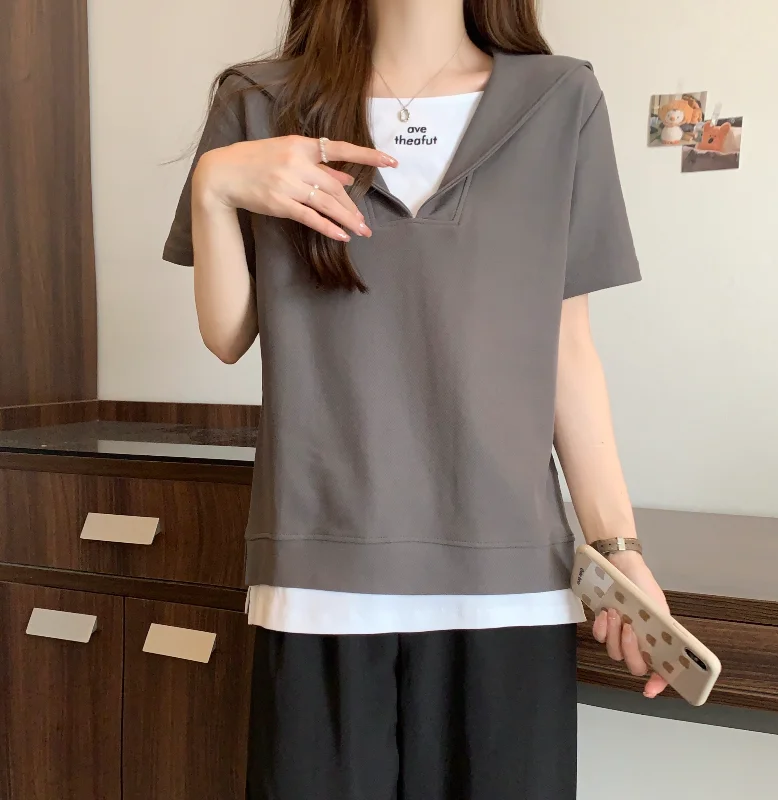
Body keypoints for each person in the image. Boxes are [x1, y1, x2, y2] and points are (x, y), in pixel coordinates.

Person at [163, 1, 671, 798]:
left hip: (510, 583)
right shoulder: (258, 102)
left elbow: (568, 350)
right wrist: (214, 185)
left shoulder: (559, 101)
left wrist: (618, 547)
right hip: (321, 578)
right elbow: (227, 335)